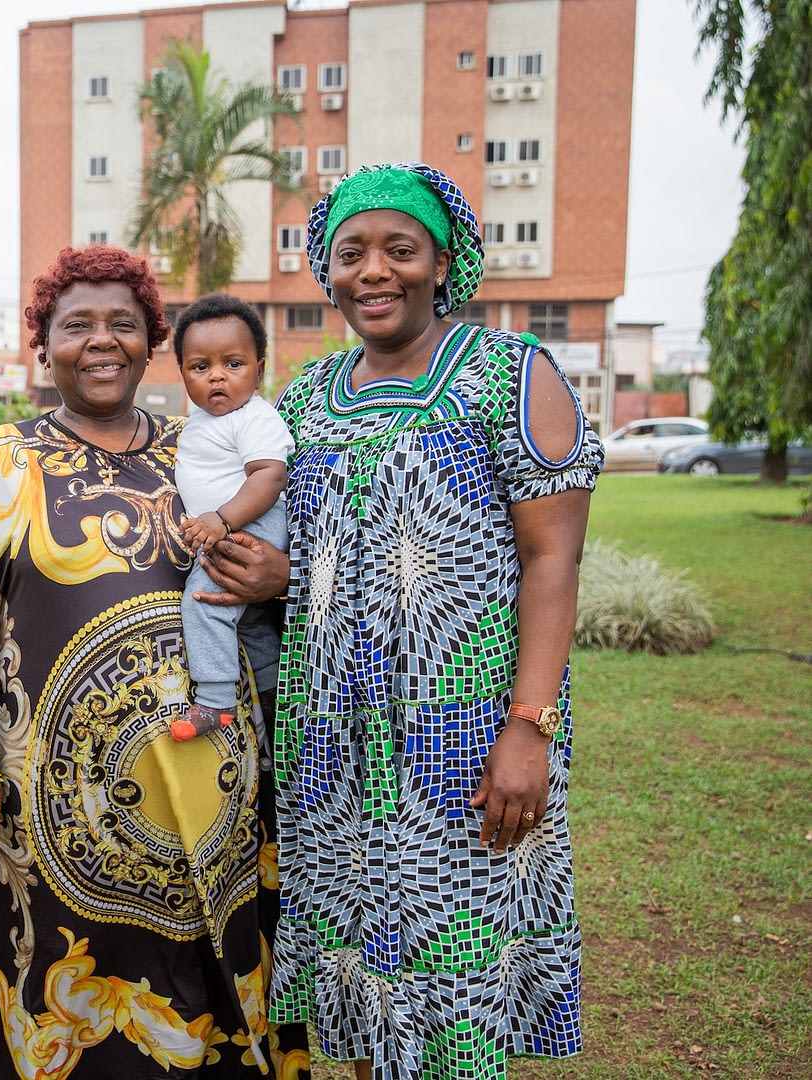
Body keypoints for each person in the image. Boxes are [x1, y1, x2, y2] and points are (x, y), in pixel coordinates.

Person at [0, 244, 311, 1078]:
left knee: (215, 994)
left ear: (152, 344)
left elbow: (282, 568)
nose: (101, 341)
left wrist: (283, 580)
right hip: (55, 805)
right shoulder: (1, 459)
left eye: (123, 325)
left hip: (218, 789)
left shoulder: (204, 447)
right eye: (77, 325)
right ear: (44, 343)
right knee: (64, 990)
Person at [266, 163, 602, 1079]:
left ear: (443, 261)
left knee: (456, 980)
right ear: (323, 271)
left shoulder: (510, 374)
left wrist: (528, 729)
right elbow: (322, 563)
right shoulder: (308, 397)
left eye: (400, 250)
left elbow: (552, 559)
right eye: (352, 253)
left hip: (460, 740)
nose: (375, 271)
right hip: (332, 747)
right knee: (376, 986)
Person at [169, 294, 292, 743]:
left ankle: (216, 702)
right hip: (228, 527)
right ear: (182, 372)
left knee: (203, 599)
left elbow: (269, 477)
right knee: (248, 617)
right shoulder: (201, 419)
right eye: (200, 367)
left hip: (251, 524)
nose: (216, 375)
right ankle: (274, 689)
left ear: (259, 370)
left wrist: (221, 520)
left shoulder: (254, 417)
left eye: (233, 364)